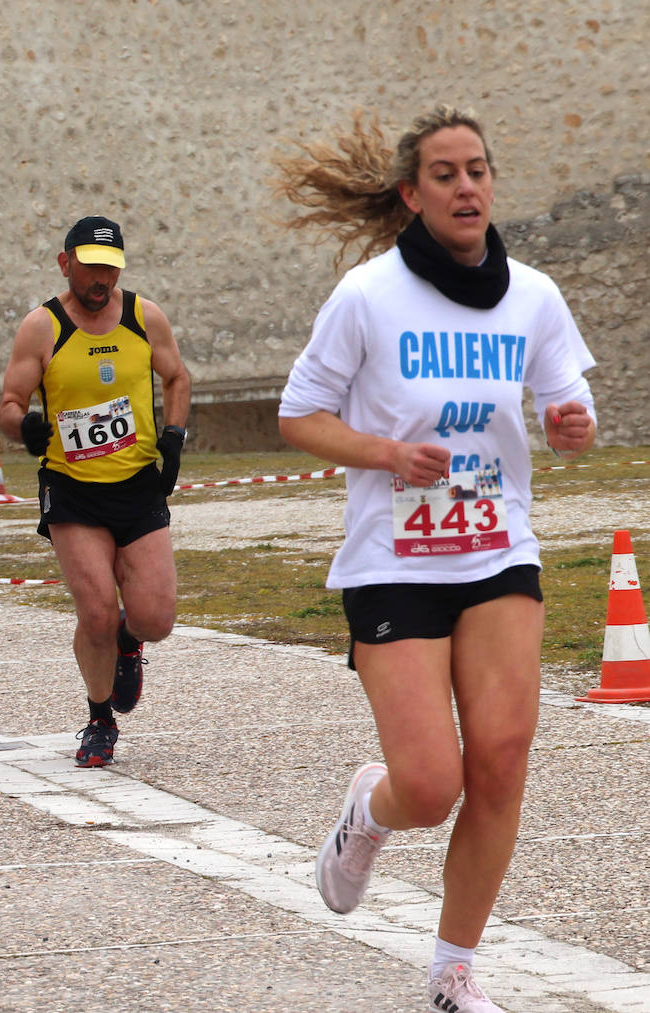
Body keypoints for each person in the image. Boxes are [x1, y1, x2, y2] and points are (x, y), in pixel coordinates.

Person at [273, 106, 597, 1013]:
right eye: (446, 174)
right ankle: (370, 809)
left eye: (479, 170)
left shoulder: (532, 294)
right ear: (413, 195)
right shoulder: (368, 295)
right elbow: (299, 415)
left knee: (499, 761)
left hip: (499, 551)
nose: (467, 187)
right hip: (395, 561)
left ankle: (453, 968)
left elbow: (569, 406)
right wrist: (384, 452)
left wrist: (574, 425)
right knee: (430, 783)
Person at [0, 215, 190, 768]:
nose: (100, 278)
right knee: (98, 611)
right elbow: (9, 403)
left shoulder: (143, 316)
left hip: (136, 484)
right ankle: (100, 718)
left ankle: (131, 643)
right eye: (89, 265)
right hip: (72, 488)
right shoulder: (43, 326)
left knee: (156, 619)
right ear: (65, 263)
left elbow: (177, 377)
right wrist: (24, 426)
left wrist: (173, 436)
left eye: (110, 267)